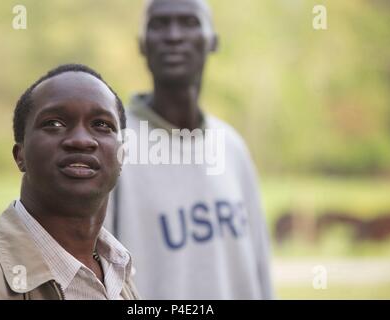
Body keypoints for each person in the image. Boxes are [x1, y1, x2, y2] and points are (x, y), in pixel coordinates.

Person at [105, 0, 274, 299]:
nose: (173, 36)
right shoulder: (114, 146)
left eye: (189, 22)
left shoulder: (232, 147)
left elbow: (260, 267)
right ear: (142, 44)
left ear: (213, 41)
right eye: (159, 24)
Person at [0, 64, 139, 300]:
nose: (80, 140)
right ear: (20, 156)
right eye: (54, 124)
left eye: (101, 125)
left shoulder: (118, 270)